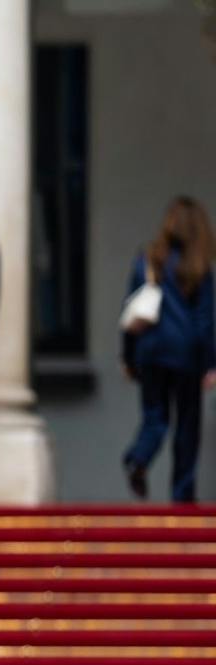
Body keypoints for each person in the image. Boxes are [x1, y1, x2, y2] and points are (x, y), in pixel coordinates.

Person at [121, 196, 216, 503]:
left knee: (155, 417)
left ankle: (139, 457)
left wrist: (128, 356)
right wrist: (210, 363)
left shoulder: (147, 261)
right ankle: (182, 495)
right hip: (185, 354)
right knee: (186, 427)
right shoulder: (198, 268)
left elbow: (131, 312)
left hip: (150, 351)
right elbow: (205, 321)